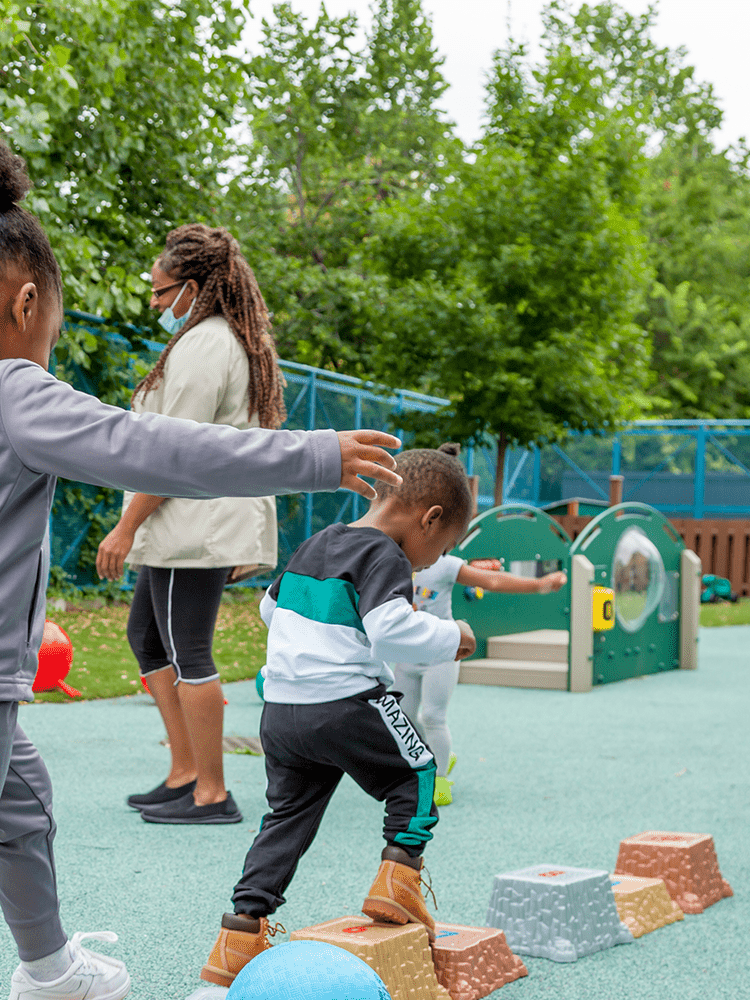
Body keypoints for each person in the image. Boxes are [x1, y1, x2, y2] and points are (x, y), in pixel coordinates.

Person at [0, 129, 402, 1000]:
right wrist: (314, 456)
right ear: (26, 303)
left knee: (20, 795)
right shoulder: (7, 391)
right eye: (53, 323)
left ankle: (52, 972)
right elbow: (154, 449)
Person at [200, 448, 477, 988]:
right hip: (347, 702)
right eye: (439, 549)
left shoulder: (319, 542)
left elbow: (269, 609)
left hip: (282, 713)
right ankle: (398, 881)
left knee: (287, 817)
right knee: (417, 772)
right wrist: (454, 635)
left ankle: (240, 932)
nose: (428, 564)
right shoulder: (386, 556)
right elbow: (392, 631)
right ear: (431, 517)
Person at [95, 224, 286, 826]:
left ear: (194, 287)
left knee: (189, 653)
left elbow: (173, 453)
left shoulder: (207, 343)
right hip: (184, 524)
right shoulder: (209, 339)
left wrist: (124, 527)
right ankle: (184, 774)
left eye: (160, 292)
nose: (153, 303)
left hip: (194, 527)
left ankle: (211, 792)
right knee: (148, 640)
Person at [390, 446, 567, 807]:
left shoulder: (445, 564)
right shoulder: (395, 558)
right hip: (408, 652)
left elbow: (495, 582)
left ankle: (439, 779)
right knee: (403, 716)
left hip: (442, 649)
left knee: (433, 715)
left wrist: (541, 584)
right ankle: (426, 763)